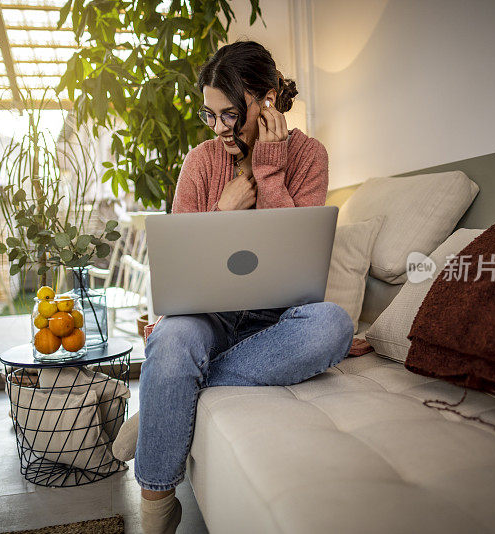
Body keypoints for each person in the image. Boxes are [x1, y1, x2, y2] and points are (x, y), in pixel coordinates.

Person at [113, 40, 355, 534]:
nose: (220, 129)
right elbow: (183, 272)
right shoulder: (201, 163)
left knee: (333, 324)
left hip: (278, 321)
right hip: (209, 316)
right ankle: (157, 508)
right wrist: (222, 213)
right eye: (211, 115)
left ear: (266, 102)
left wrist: (269, 170)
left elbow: (296, 264)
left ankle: (178, 383)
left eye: (231, 114)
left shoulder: (310, 157)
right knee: (175, 338)